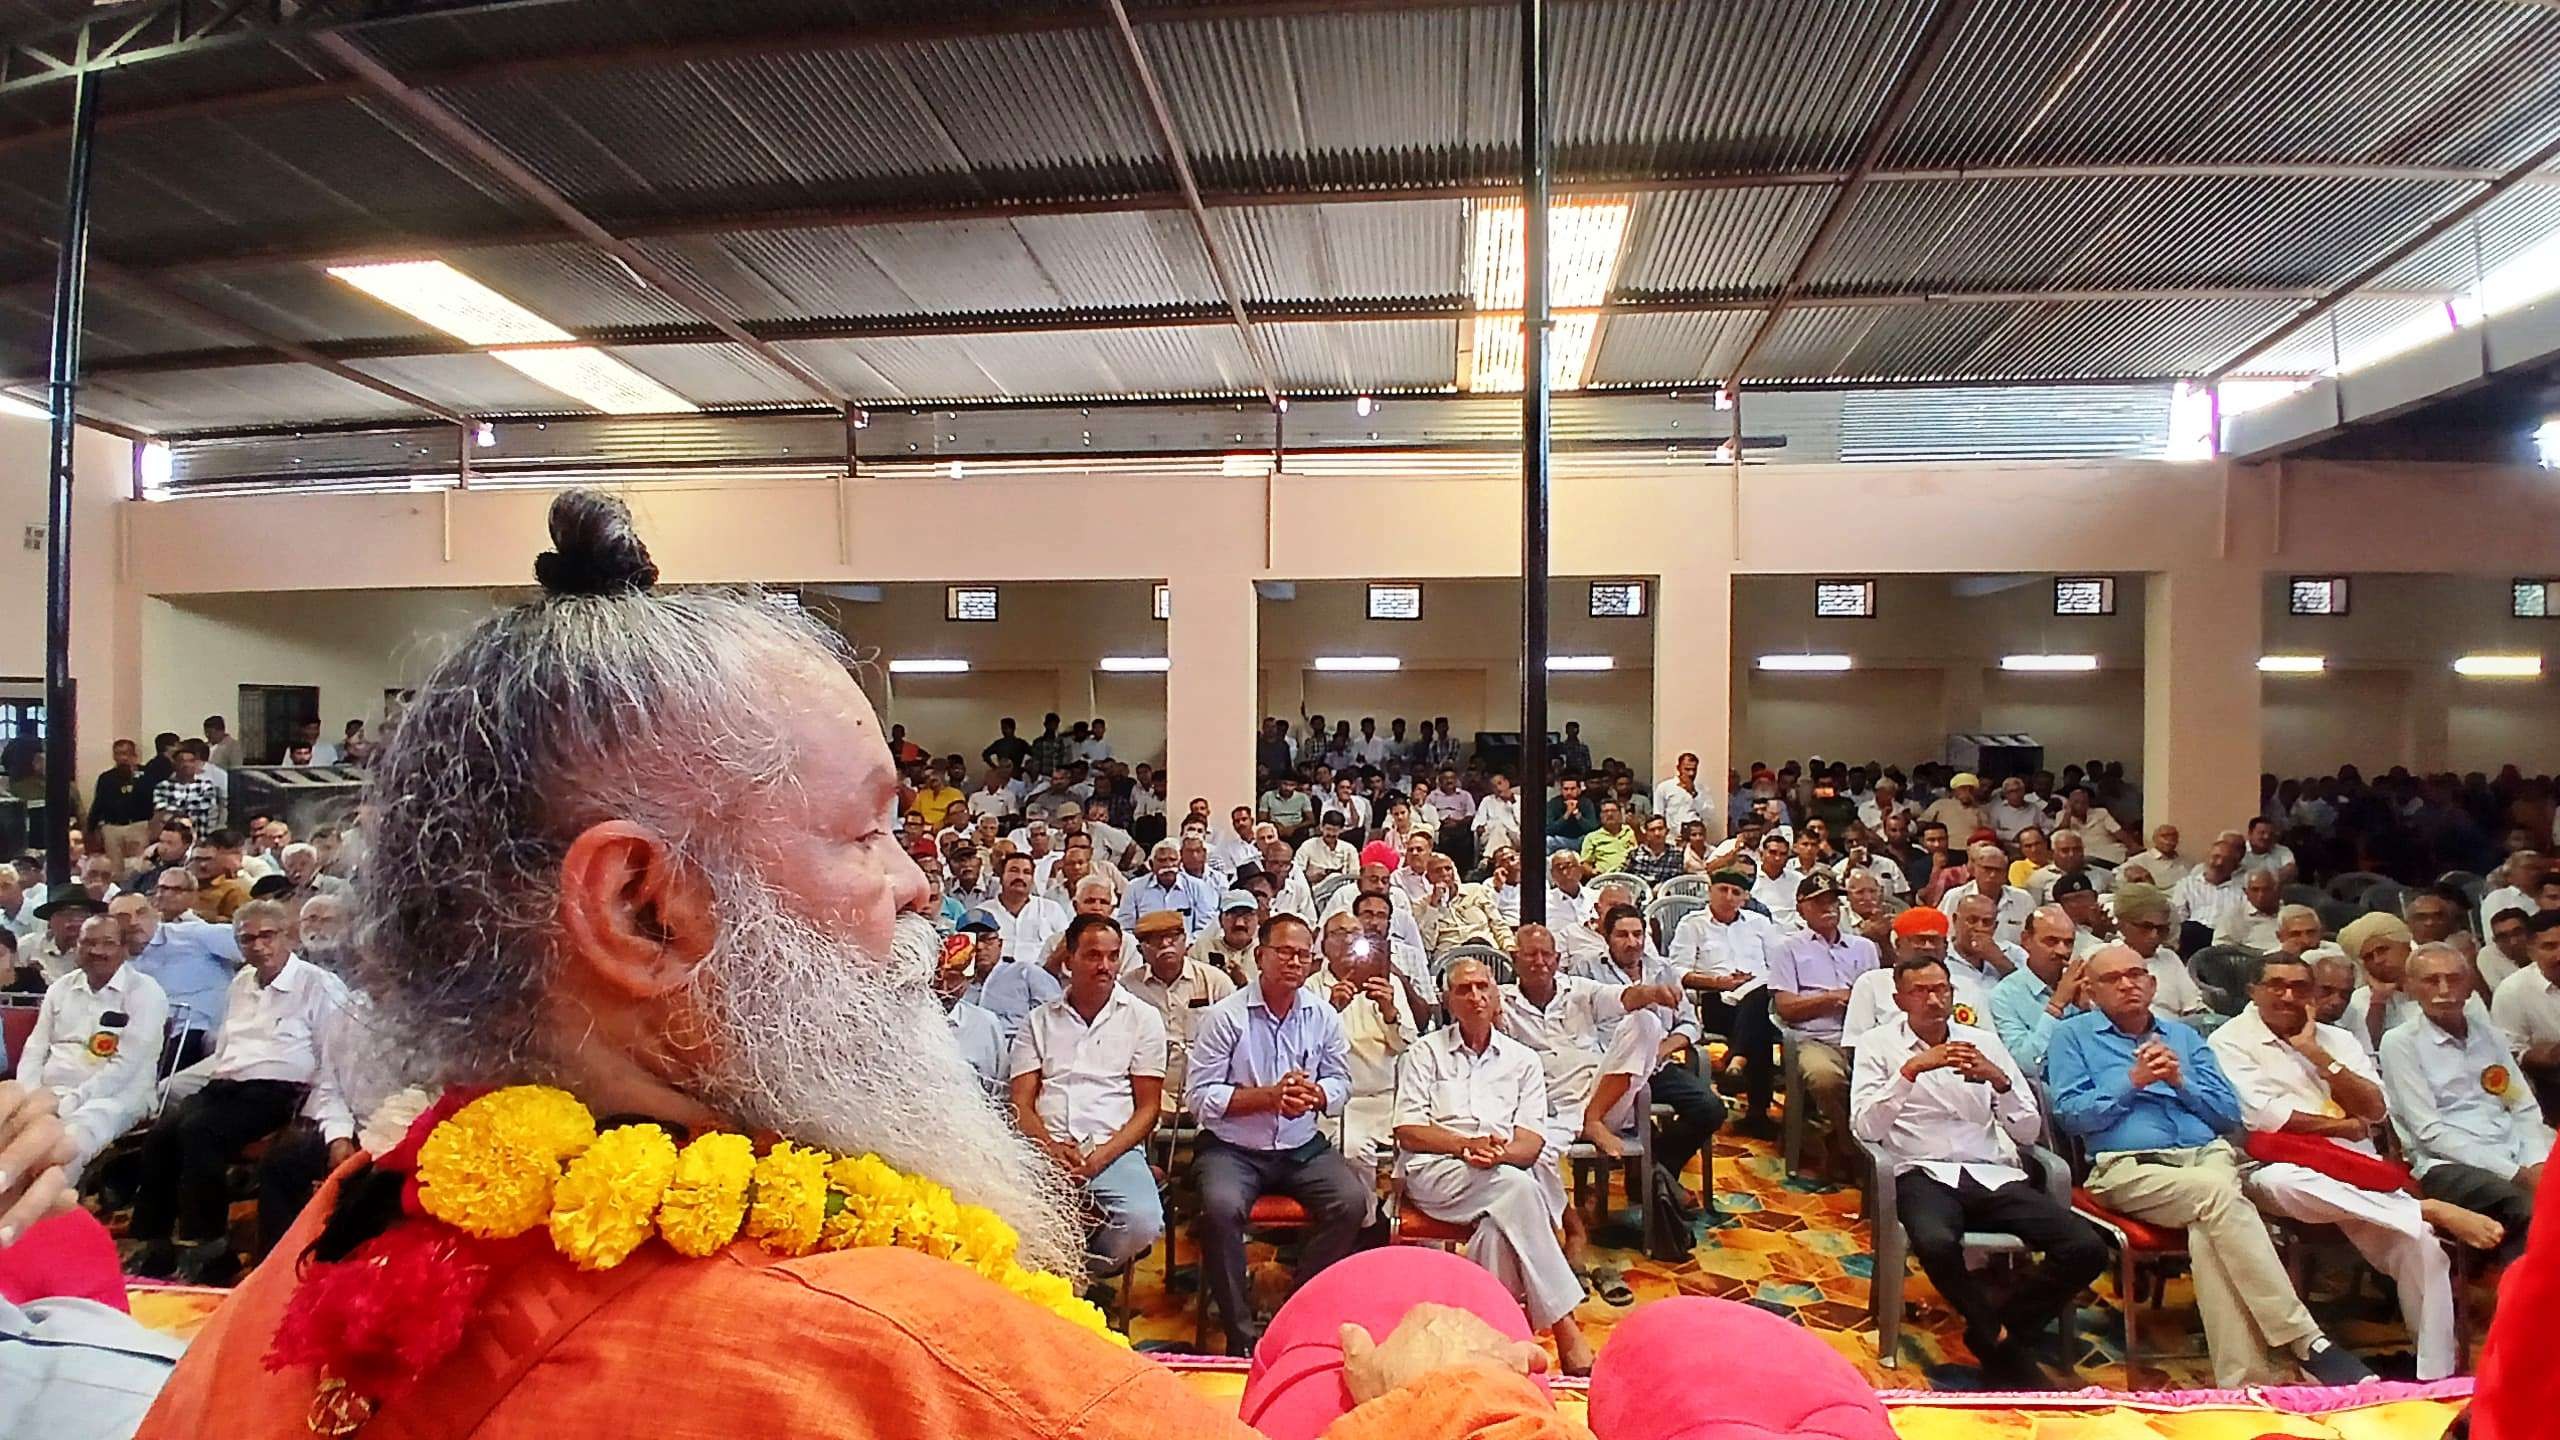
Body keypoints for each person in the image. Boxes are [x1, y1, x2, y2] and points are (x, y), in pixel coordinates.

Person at [2046, 945, 2370, 1386]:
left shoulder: (2185, 1037)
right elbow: (2071, 1116)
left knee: (2209, 1230)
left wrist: (2181, 1081)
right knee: (2221, 1197)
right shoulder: (2073, 1037)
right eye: (2112, 978)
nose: (2127, 984)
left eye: (2136, 974)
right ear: (2092, 990)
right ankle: (2305, 1339)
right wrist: (2132, 1081)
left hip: (2208, 1157)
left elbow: (2227, 1117)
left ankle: (2245, 1382)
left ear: (2153, 983)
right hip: (2129, 1167)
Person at [2208, 951, 2494, 1380]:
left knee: (2422, 1247)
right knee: (2288, 1183)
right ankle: (2424, 1207)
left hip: (2356, 1174)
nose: (2288, 996)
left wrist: (2316, 1054)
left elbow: (2376, 1110)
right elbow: (2264, 1118)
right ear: (2253, 991)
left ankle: (2434, 1378)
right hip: (2276, 1166)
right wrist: (2342, 1126)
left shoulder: (2336, 1039)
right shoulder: (2228, 1040)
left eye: (2300, 988)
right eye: (2276, 986)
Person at [1850, 954, 2104, 1387]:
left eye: (1941, 990)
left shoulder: (1982, 1042)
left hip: (1990, 1173)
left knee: (2087, 1247)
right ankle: (1998, 1338)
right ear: (1899, 998)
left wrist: (1999, 1081)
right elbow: (1865, 1127)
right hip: (1921, 1171)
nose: (1933, 1000)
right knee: (1935, 1241)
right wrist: (1909, 1072)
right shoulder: (1878, 1044)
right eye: (1921, 991)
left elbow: (2027, 1132)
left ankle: (1998, 1330)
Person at [1392, 957, 1597, 1376]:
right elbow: (1408, 1130)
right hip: (1438, 1172)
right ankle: (1564, 1325)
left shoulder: (1523, 1061)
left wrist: (1496, 1154)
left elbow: (1530, 1143)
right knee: (1520, 1190)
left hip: (1500, 1171)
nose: (1476, 996)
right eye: (1464, 990)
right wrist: (1465, 1145)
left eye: (1483, 987)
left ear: (1497, 995)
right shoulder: (1423, 1054)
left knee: (1498, 1228)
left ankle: (1492, 1343)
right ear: (1448, 1001)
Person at [125, 900, 346, 1282]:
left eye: (267, 936)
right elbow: (227, 1044)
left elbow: (332, 1055)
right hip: (230, 1082)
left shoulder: (317, 984)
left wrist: (318, 1113)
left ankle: (210, 1247)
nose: (258, 946)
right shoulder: (242, 981)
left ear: (288, 936)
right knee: (163, 1133)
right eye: (247, 939)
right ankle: (154, 1241)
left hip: (281, 1088)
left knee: (201, 1132)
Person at [1182, 913, 1368, 1355]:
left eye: (1304, 954)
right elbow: (1199, 1097)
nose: (1295, 962)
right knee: (1220, 1207)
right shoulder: (1226, 1017)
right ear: (1260, 956)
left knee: (1351, 1202)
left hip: (1300, 1144)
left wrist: (1317, 1095)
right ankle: (1241, 1335)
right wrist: (1267, 1097)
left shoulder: (1321, 1015)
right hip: (1233, 1148)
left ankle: (1292, 1314)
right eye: (1284, 952)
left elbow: (1342, 1082)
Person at [1009, 914, 1167, 1278]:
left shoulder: (1143, 1019)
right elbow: (1021, 1102)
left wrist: (1099, 1159)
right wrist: (1049, 1147)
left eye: (1113, 956)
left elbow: (1148, 1109)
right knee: (1009, 1215)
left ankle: (1081, 1278)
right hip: (1045, 1150)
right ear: (1069, 960)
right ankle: (1049, 1285)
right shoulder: (1038, 1021)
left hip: (1113, 1149)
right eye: (1094, 956)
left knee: (1142, 1222)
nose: (1105, 966)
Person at [2380, 943, 2553, 1254]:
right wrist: (2515, 1173)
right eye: (2432, 980)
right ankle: (2520, 1296)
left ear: (2470, 984)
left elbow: (2521, 1104)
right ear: (2411, 988)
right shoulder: (2400, 1043)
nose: (2445, 990)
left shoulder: (2489, 1035)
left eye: (2454, 978)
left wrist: (2536, 1161)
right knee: (2529, 1207)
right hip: (2447, 1164)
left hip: (2516, 1148)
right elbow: (2430, 1132)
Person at [12, 913, 168, 1185]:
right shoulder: (60, 988)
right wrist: (30, 1097)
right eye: (88, 943)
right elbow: (35, 1049)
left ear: (124, 948)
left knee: (63, 1147)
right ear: (77, 947)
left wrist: (67, 1104)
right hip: (49, 1093)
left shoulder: (146, 992)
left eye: (108, 943)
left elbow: (125, 1067)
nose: (97, 951)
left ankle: (49, 1217)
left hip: (116, 1098)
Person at [1770, 873, 1877, 1181]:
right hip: (1813, 1037)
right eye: (1819, 902)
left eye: (1833, 901)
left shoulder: (1864, 947)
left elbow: (1875, 999)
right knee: (1826, 1078)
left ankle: (1865, 1148)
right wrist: (1830, 999)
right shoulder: (1787, 948)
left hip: (1862, 1037)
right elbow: (1786, 1008)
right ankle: (1851, 1151)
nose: (1829, 907)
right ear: (1801, 908)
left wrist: (1856, 1002)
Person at [1311, 911, 1414, 1215]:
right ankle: (1365, 1223)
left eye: (1354, 934)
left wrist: (1390, 1011)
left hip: (1388, 1097)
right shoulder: (1311, 988)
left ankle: (1404, 1223)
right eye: (1338, 933)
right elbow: (1302, 1051)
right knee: (1352, 1150)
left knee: (1422, 1148)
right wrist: (1331, 1011)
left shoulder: (1387, 982)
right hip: (1343, 1103)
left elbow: (1408, 1045)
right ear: (1324, 944)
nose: (1347, 940)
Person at [1667, 867, 1782, 1135]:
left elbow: (1778, 965)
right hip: (1715, 1000)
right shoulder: (1692, 924)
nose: (1728, 896)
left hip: (1760, 998)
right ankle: (1757, 1111)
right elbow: (1677, 972)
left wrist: (1754, 982)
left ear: (1744, 898)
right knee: (1760, 1021)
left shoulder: (1759, 924)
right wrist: (1719, 982)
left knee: (1759, 1003)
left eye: (1736, 892)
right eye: (1723, 890)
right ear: (1710, 891)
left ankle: (1737, 1060)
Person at [1118, 908, 1233, 1103]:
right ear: (1141, 950)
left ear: (1185, 940)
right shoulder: (1127, 989)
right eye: (1154, 940)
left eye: (1172, 937)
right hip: (1150, 1091)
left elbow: (1235, 1041)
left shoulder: (1216, 981)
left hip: (1207, 1086)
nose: (1164, 944)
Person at [1988, 906, 2083, 1078]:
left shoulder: (2084, 984)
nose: (2062, 951)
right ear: (2026, 940)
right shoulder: (2004, 995)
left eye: (2068, 943)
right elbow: (2028, 1065)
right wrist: (2056, 1005)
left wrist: (2092, 1010)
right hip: (2046, 1095)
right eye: (2051, 941)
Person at [2493, 910, 2560, 1122]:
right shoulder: (2511, 991)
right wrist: (2546, 1057)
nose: (2559, 955)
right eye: (2549, 947)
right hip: (2550, 1086)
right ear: (2531, 951)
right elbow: (2508, 1056)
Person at [2111, 883, 2208, 1026]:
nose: (2154, 936)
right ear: (2122, 924)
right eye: (2146, 927)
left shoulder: (2168, 958)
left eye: (2161, 929)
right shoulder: (2103, 959)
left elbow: (2193, 1006)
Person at [1934, 843, 2034, 946]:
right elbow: (1941, 935)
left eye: (1998, 870)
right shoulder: (1954, 897)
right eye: (1987, 869)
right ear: (1974, 870)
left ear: (2006, 873)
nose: (1992, 875)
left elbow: (2032, 940)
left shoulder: (2023, 899)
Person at [1414, 851, 1512, 955]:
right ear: (1428, 878)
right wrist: (1433, 905)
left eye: (1448, 869)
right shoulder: (1420, 905)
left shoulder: (1476, 890)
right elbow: (1428, 944)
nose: (1444, 873)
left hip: (1487, 951)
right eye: (1438, 871)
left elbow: (1498, 924)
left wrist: (1509, 946)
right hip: (1450, 956)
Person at [1120, 838, 1216, 937]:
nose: (1168, 865)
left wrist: (1187, 946)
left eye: (1173, 860)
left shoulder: (1198, 887)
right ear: (1151, 865)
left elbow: (1206, 928)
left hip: (1188, 949)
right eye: (1162, 860)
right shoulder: (1134, 888)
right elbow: (1126, 928)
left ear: (1180, 864)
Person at [1192, 888, 1262, 985]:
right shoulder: (1202, 949)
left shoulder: (1266, 951)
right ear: (1220, 920)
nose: (1239, 923)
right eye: (1232, 915)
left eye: (1247, 916)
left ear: (1257, 919)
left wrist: (1245, 983)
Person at [2214, 867, 2285, 951]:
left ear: (2277, 890)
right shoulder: (2234, 916)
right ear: (2246, 892)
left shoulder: (2289, 913)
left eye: (2266, 889)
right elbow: (2220, 949)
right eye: (2255, 890)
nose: (2261, 895)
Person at [1653, 752, 1708, 840]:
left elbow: (1707, 815)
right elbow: (1658, 814)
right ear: (1678, 768)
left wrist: (1694, 793)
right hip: (1671, 838)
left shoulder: (1702, 789)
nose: (1691, 773)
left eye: (1694, 770)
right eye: (1687, 769)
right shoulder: (1665, 787)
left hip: (1695, 839)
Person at [1918, 772, 1988, 840]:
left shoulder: (1981, 811)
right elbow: (1922, 823)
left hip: (1970, 849)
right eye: (1963, 788)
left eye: (1970, 789)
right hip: (1944, 848)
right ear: (1955, 790)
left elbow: (1986, 832)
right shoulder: (1941, 804)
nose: (1967, 792)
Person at [1576, 801, 1635, 878]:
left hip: (1632, 877)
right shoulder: (1592, 837)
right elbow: (1585, 863)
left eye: (1613, 811)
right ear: (1600, 816)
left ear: (1620, 814)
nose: (1610, 814)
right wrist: (1593, 872)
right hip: (1605, 878)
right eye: (1605, 811)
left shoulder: (1631, 831)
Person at [2240, 817, 2298, 886]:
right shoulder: (2239, 850)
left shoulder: (2282, 851)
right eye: (2262, 833)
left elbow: (2291, 871)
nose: (2267, 837)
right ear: (2250, 833)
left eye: (2271, 834)